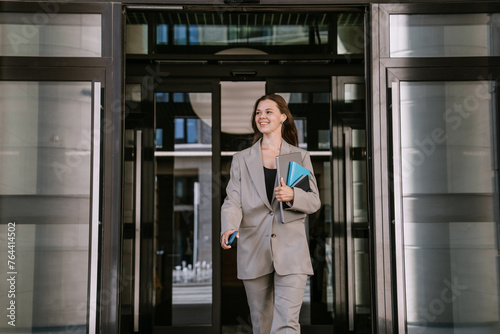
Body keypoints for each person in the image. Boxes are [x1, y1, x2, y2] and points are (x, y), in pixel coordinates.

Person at [220, 94, 321, 333]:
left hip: (292, 251)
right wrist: (228, 226)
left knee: (287, 323)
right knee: (262, 324)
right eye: (258, 112)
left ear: (283, 117)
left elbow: (313, 201)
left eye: (268, 112)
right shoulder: (242, 160)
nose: (261, 116)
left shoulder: (297, 158)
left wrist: (293, 195)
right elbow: (233, 199)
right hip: (254, 249)